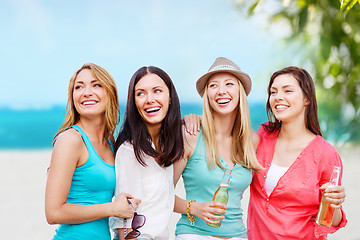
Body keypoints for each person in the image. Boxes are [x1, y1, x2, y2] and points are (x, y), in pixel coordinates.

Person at [247, 66, 347, 239]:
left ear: (307, 98)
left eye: (288, 90)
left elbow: (331, 220)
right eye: (273, 92)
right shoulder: (262, 135)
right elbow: (226, 134)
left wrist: (335, 204)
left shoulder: (326, 154)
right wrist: (198, 119)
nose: (278, 97)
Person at [45, 63, 140, 240]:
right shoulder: (71, 139)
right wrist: (113, 208)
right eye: (79, 87)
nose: (86, 92)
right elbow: (53, 212)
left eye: (96, 85)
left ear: (110, 94)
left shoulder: (110, 143)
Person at [174, 57, 263, 240]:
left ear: (240, 92)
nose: (221, 91)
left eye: (229, 84)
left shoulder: (253, 140)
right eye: (213, 86)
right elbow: (160, 193)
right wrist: (194, 208)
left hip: (239, 236)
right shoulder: (191, 135)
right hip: (193, 235)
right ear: (207, 95)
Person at [109, 66, 184, 240]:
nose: (149, 99)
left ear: (170, 97)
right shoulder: (130, 150)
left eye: (157, 91)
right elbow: (124, 217)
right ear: (134, 103)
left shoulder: (168, 144)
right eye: (140, 93)